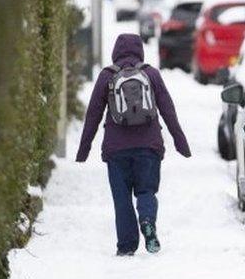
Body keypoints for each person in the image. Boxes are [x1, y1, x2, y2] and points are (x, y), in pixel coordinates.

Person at [76, 34, 191, 256]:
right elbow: (168, 110)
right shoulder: (151, 74)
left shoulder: (107, 76)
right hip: (149, 147)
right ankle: (147, 220)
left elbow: (93, 115)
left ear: (115, 51)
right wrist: (180, 142)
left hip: (116, 150)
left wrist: (84, 149)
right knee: (146, 191)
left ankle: (126, 246)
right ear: (140, 51)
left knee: (122, 199)